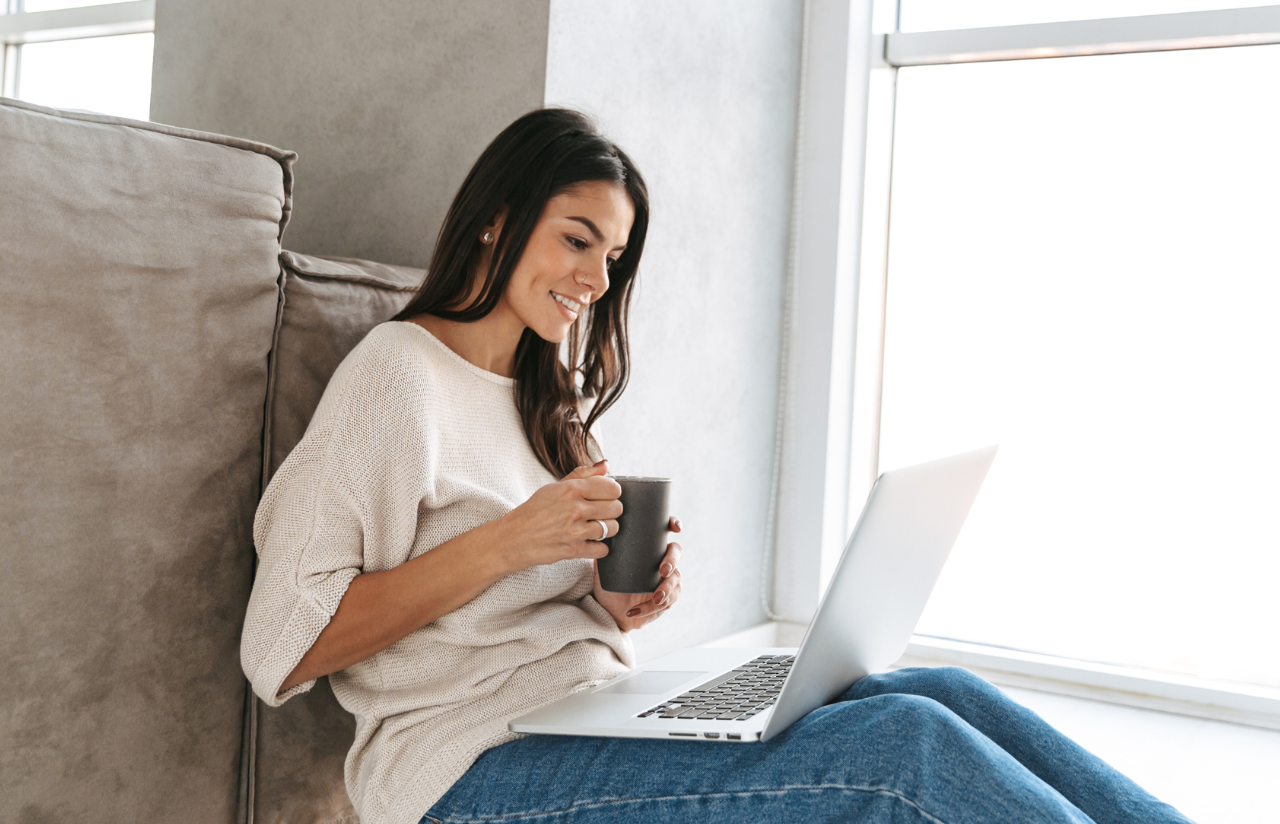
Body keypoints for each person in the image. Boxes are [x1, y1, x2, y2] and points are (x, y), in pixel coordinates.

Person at [241, 108, 1193, 824]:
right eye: (577, 239)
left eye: (611, 256)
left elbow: (535, 606)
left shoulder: (547, 396)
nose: (595, 279)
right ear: (496, 219)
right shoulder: (397, 377)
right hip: (463, 769)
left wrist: (615, 601)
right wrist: (506, 545)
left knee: (940, 692)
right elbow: (283, 646)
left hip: (592, 711)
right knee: (908, 747)